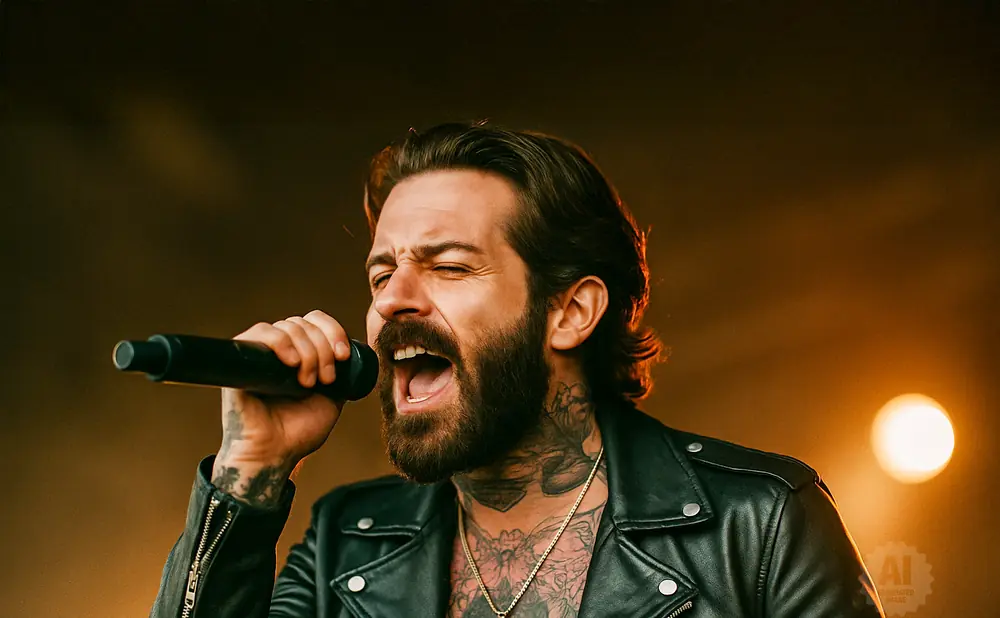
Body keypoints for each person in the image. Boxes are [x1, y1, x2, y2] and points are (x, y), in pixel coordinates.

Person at [150, 122, 885, 618]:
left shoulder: (759, 523)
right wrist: (250, 469)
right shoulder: (349, 539)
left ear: (570, 312)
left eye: (448, 266)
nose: (393, 301)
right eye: (380, 275)